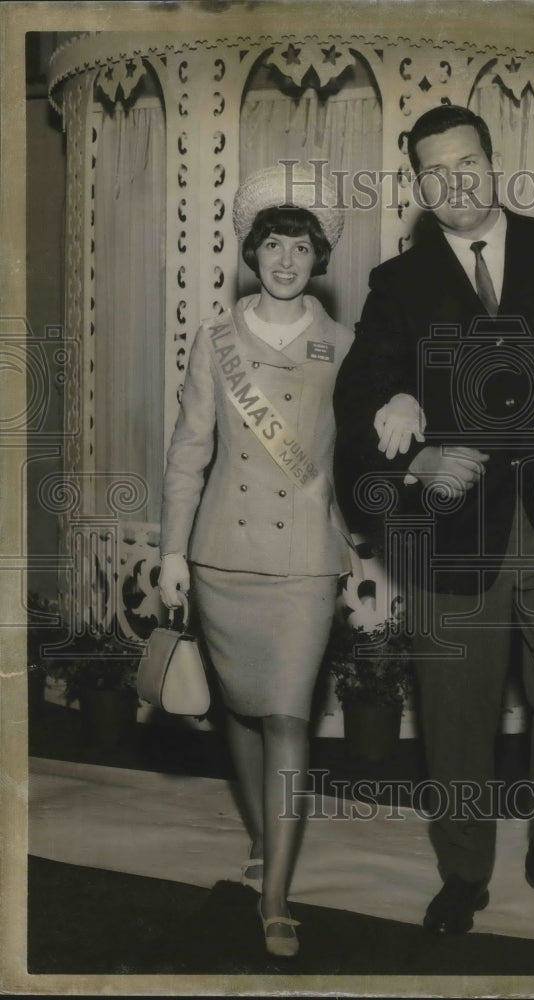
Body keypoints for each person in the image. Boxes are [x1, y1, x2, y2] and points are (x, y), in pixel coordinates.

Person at [334, 105, 534, 935]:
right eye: (435, 171)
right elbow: (355, 406)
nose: (456, 182)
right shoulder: (397, 286)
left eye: (467, 163)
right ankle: (462, 872)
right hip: (453, 537)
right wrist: (414, 459)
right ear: (418, 184)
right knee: (454, 712)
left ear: (492, 160)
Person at [158, 164, 353, 958]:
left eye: (299, 247)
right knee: (238, 709)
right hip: (223, 556)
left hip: (305, 557)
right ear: (252, 252)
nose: (284, 260)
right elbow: (186, 454)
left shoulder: (344, 345)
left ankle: (274, 893)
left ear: (317, 259)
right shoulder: (215, 341)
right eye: (271, 244)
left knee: (286, 713)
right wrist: (172, 551)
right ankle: (260, 838)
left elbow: (362, 453)